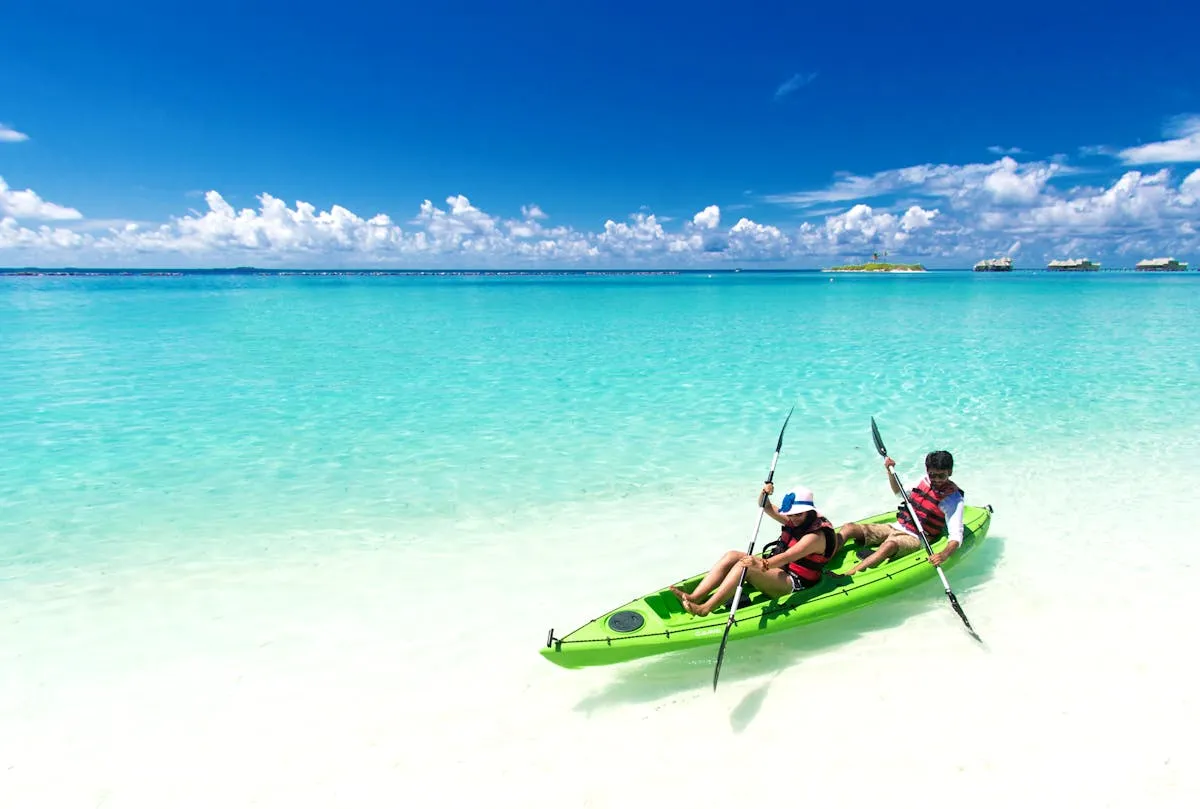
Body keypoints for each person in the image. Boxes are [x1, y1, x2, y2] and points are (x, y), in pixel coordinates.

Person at [670, 482, 843, 617]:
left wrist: (760, 563)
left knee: (745, 566)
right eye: (790, 514)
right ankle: (695, 597)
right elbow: (766, 506)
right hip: (781, 570)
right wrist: (764, 493)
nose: (793, 518)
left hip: (795, 583)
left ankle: (704, 608)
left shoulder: (814, 537)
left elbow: (788, 556)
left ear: (809, 512)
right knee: (732, 556)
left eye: (798, 514)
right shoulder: (797, 520)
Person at [840, 450, 964, 575]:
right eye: (932, 475)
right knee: (849, 528)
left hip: (917, 538)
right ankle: (823, 559)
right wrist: (890, 472)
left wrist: (944, 554)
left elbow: (956, 536)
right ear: (927, 470)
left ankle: (848, 574)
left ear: (950, 472)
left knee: (889, 545)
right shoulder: (923, 481)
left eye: (941, 476)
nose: (936, 480)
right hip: (896, 526)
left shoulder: (953, 499)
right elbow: (899, 493)